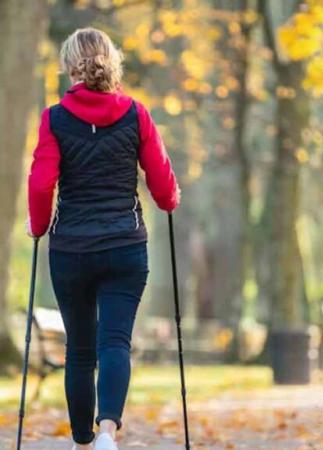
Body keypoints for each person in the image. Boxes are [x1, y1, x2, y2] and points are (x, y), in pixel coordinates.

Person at [27, 27, 180, 450]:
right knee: (115, 342)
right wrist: (169, 200)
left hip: (71, 248)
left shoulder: (54, 118)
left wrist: (37, 226)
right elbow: (161, 180)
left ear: (69, 65)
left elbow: (41, 185)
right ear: (111, 62)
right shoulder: (136, 114)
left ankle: (82, 442)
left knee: (79, 350)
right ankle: (108, 431)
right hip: (125, 247)